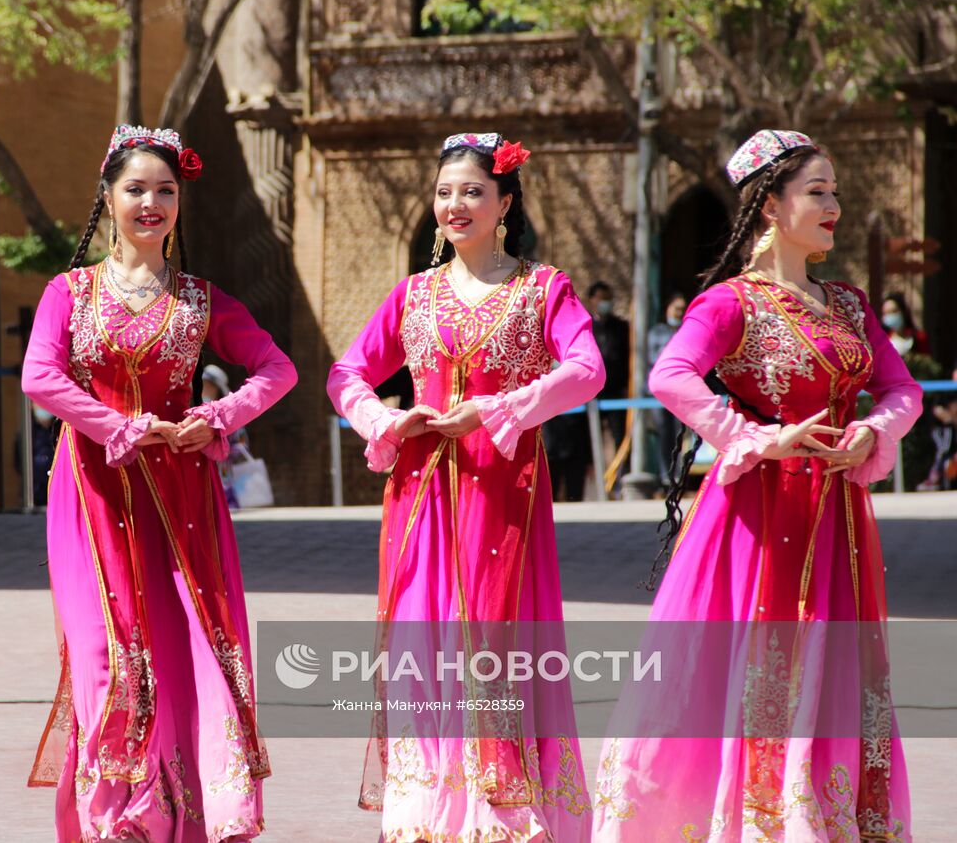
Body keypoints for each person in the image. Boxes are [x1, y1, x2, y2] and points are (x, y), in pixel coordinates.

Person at [594, 130, 919, 840]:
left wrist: (874, 433)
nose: (834, 204)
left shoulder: (851, 306)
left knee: (834, 665)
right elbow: (669, 376)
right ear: (770, 205)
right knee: (758, 663)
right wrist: (754, 436)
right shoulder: (731, 303)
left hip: (838, 515)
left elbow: (903, 390)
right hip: (757, 517)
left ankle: (822, 815)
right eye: (817, 192)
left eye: (835, 191)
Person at [21, 125, 296, 840]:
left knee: (180, 646)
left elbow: (277, 369)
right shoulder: (69, 290)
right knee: (105, 653)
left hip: (181, 497)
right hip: (92, 495)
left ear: (180, 203)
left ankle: (178, 812)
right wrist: (117, 425)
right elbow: (40, 376)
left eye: (164, 191)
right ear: (106, 198)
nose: (150, 202)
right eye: (135, 188)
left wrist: (218, 415)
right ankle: (115, 817)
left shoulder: (201, 300)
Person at [328, 132, 604, 842]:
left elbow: (588, 369)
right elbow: (347, 373)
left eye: (473, 190)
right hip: (420, 493)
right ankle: (430, 813)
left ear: (504, 201)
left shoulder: (542, 288)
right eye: (445, 191)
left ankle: (502, 809)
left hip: (501, 489)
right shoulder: (414, 296)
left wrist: (503, 408)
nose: (456, 204)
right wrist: (386, 417)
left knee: (495, 635)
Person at [586, 280, 629, 468]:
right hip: (589, 392)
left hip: (615, 389)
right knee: (587, 438)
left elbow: (627, 357)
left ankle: (620, 478)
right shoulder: (585, 325)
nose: (606, 303)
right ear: (591, 300)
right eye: (602, 299)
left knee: (619, 435)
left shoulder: (621, 327)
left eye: (609, 299)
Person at [647, 292, 688, 484]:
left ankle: (679, 474)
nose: (679, 313)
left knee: (679, 434)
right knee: (664, 434)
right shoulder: (657, 332)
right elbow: (653, 358)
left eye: (682, 310)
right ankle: (665, 475)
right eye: (676, 309)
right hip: (660, 392)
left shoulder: (687, 331)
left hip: (681, 390)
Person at [201, 363, 251, 507]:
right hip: (200, 476)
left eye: (205, 384)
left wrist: (221, 450)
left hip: (223, 478)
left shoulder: (231, 415)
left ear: (214, 387)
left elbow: (242, 444)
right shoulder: (194, 408)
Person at [880, 291, 930, 357]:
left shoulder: (919, 338)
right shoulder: (883, 342)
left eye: (894, 311)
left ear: (903, 312)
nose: (890, 316)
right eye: (886, 313)